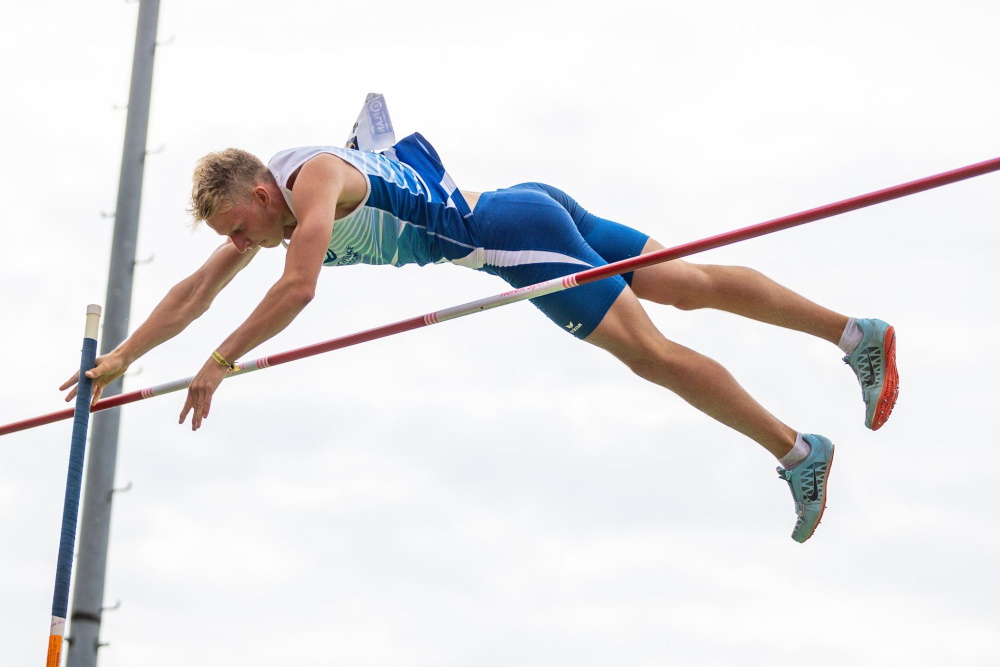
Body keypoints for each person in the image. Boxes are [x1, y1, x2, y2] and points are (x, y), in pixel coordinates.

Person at [61, 124, 897, 543]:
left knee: (653, 354)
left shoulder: (310, 184)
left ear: (256, 188)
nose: (235, 241)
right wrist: (127, 357)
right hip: (523, 206)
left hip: (507, 238)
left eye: (235, 224)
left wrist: (218, 363)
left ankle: (797, 451)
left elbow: (299, 288)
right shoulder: (283, 194)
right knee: (690, 284)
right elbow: (193, 291)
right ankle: (853, 333)